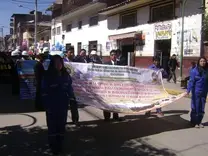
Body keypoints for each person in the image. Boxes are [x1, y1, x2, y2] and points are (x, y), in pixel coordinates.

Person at [41, 55, 75, 155]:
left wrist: (72, 99)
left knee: (61, 126)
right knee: (52, 127)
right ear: (52, 64)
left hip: (63, 105)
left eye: (60, 62)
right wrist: (47, 105)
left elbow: (70, 89)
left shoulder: (66, 75)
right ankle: (53, 147)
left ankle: (60, 145)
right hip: (51, 105)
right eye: (56, 63)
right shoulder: (47, 76)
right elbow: (44, 92)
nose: (58, 64)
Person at [186, 57, 208, 128]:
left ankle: (199, 121)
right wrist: (188, 90)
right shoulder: (194, 71)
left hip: (204, 92)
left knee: (202, 107)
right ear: (198, 62)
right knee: (195, 107)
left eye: (204, 61)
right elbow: (191, 81)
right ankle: (194, 122)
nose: (203, 63)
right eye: (201, 61)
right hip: (196, 92)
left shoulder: (206, 71)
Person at [103, 50, 123, 121]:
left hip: (117, 87)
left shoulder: (120, 64)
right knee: (107, 102)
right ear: (110, 56)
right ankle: (107, 117)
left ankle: (115, 116)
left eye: (115, 55)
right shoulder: (106, 64)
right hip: (108, 87)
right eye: (112, 55)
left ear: (117, 56)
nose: (113, 56)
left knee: (116, 102)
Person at [63, 49, 79, 125]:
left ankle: (75, 119)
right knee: (64, 105)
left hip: (74, 86)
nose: (72, 54)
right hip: (64, 86)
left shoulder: (76, 62)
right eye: (70, 52)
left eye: (73, 52)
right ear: (66, 53)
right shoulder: (63, 61)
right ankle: (63, 120)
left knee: (74, 104)